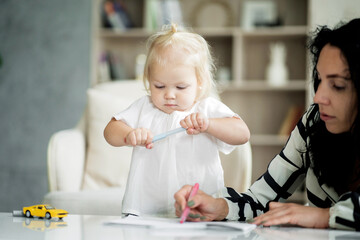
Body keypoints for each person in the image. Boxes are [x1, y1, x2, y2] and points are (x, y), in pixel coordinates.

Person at [174, 18, 360, 231]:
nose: (318, 97)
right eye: (320, 80)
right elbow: (261, 199)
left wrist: (325, 217)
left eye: (337, 86)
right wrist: (219, 207)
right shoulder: (313, 122)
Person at [104, 24, 250, 217]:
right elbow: (110, 131)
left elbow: (242, 134)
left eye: (180, 87)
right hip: (144, 208)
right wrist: (128, 135)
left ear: (200, 83)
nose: (169, 95)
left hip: (198, 208)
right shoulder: (144, 107)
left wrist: (209, 125)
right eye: (159, 86)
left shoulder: (206, 108)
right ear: (148, 80)